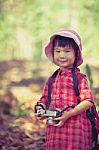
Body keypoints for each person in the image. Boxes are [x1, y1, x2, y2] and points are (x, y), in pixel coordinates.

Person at [35, 29, 94, 150]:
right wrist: (40, 108)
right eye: (58, 51)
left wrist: (69, 114)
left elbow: (88, 101)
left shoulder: (79, 78)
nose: (62, 55)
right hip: (55, 130)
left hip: (76, 129)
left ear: (76, 53)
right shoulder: (52, 79)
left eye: (67, 51)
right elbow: (44, 99)